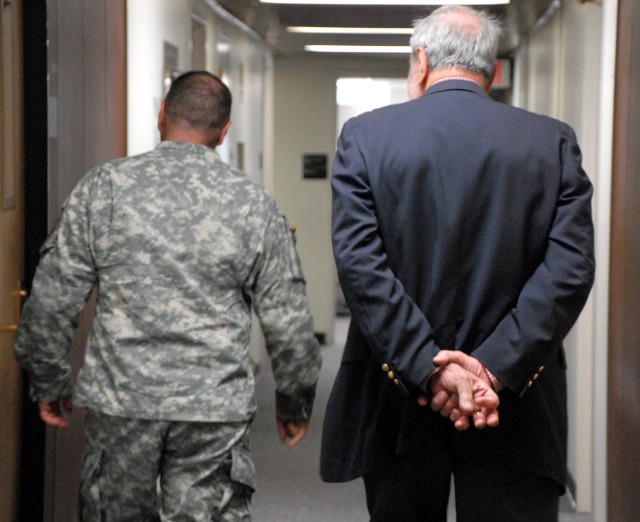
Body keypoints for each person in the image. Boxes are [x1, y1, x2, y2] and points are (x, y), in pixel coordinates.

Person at [320, 5, 595, 521]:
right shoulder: (550, 142)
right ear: (491, 72)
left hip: (398, 397)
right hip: (514, 404)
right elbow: (570, 270)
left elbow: (361, 266)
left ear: (420, 62)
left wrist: (429, 368)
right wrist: (491, 369)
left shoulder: (366, 137)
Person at [15, 71, 321, 521]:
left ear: (161, 116)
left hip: (123, 402)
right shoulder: (254, 205)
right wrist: (295, 401)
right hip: (212, 410)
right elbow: (290, 323)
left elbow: (52, 298)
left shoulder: (104, 189)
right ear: (224, 132)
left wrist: (48, 380)